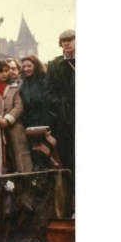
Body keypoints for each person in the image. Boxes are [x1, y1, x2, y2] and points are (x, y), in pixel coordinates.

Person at [0, 60, 33, 176]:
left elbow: (19, 106)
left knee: (18, 158)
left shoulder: (15, 88)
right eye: (0, 71)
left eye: (6, 71)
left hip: (15, 128)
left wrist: (8, 119)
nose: (4, 74)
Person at [45, 30, 76, 194]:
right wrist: (60, 106)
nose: (66, 43)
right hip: (64, 119)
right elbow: (48, 91)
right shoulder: (54, 65)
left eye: (70, 39)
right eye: (63, 40)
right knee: (67, 156)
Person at [19, 55, 60, 171]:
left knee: (47, 149)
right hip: (31, 121)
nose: (26, 69)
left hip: (45, 118)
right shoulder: (23, 85)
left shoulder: (45, 80)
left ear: (35, 66)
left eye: (29, 66)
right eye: (24, 66)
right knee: (36, 152)